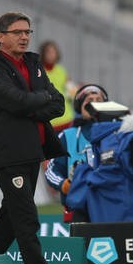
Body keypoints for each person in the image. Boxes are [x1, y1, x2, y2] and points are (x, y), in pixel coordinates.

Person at [0, 11, 75, 264]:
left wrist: (34, 102)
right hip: (9, 152)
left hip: (34, 149)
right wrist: (36, 100)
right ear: (0, 36)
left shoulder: (33, 62)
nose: (24, 37)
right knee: (25, 217)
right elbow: (16, 101)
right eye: (18, 32)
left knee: (10, 217)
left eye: (28, 32)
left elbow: (58, 104)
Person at [44, 83, 109, 223]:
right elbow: (51, 171)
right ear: (80, 107)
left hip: (110, 207)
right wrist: (64, 185)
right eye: (89, 101)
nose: (94, 105)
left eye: (99, 101)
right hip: (77, 209)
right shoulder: (67, 137)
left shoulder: (117, 134)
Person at [39, 40, 75, 133]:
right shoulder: (38, 70)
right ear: (43, 53)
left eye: (53, 52)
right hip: (48, 120)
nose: (51, 55)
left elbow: (71, 92)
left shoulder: (61, 70)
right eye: (48, 52)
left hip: (66, 119)